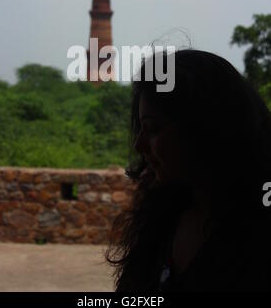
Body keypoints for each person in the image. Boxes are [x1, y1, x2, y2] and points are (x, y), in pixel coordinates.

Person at [104, 47, 271, 292]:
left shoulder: (258, 236)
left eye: (153, 129)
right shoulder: (163, 215)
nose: (138, 145)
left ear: (200, 129)